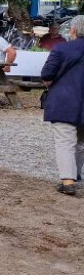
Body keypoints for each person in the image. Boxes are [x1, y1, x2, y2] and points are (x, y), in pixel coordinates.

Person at [40, 15, 84, 196]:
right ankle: (75, 175)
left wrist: (50, 83)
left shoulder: (61, 49)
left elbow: (47, 74)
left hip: (64, 100)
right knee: (81, 143)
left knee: (65, 141)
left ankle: (68, 181)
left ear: (73, 30)